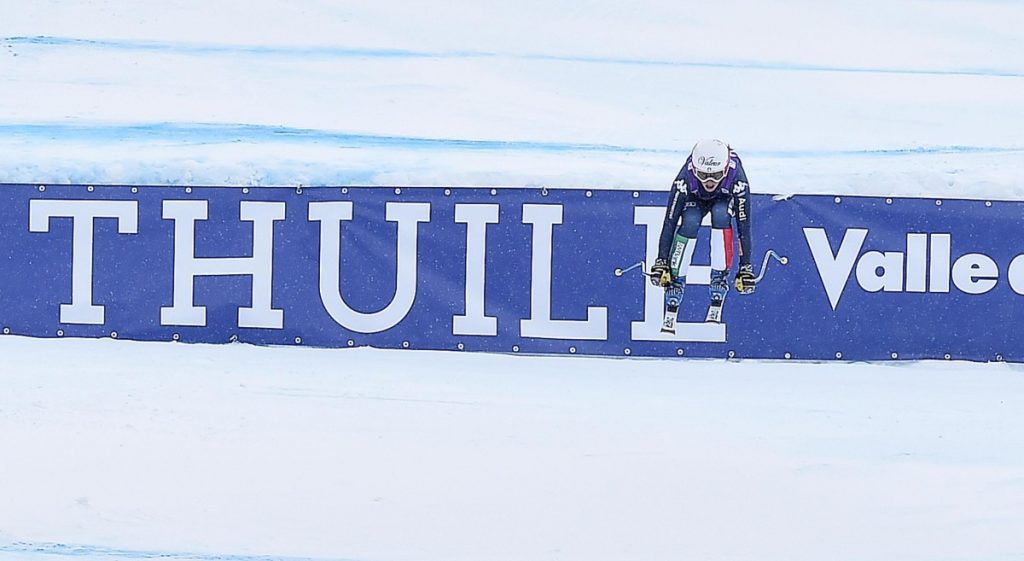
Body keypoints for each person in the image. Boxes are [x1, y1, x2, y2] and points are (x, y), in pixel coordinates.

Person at [650, 139, 755, 330]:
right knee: (689, 222)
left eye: (715, 175)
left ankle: (719, 279)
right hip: (693, 198)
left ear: (725, 169)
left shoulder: (737, 179)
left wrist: (745, 266)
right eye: (702, 175)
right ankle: (676, 282)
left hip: (723, 199)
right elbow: (670, 221)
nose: (709, 182)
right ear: (693, 168)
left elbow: (744, 225)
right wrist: (661, 261)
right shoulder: (684, 179)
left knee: (721, 215)